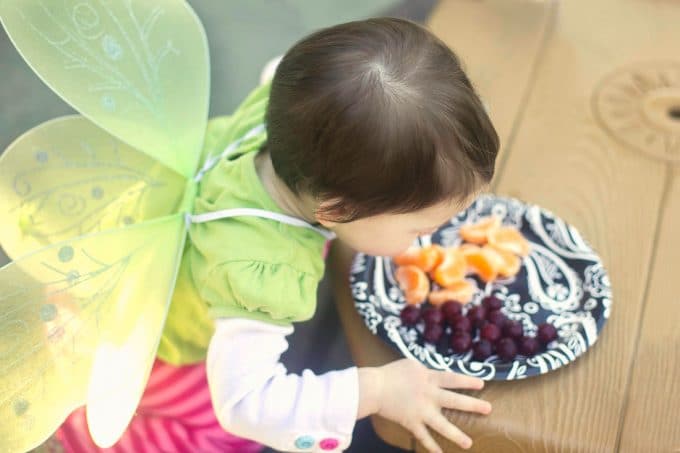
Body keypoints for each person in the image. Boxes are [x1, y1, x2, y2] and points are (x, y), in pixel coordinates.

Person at [57, 17, 498, 453]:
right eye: (421, 227)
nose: (430, 238)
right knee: (219, 437)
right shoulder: (258, 274)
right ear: (338, 211)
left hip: (128, 229)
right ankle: (77, 433)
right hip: (144, 329)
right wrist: (379, 388)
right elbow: (248, 404)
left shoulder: (293, 109)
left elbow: (283, 67)